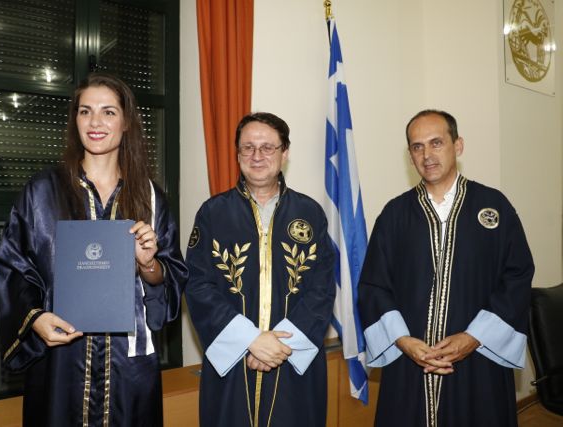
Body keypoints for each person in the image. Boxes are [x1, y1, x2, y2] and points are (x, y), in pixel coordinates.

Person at [0, 73, 188, 427]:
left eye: (108, 112)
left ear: (126, 122)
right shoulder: (42, 192)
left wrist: (148, 265)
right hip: (62, 360)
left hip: (128, 366)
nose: (95, 122)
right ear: (76, 120)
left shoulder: (150, 197)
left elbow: (170, 277)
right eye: (85, 111)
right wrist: (35, 318)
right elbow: (12, 267)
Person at [358, 109, 534, 427]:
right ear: (410, 155)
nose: (427, 155)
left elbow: (518, 276)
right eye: (417, 146)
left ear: (458, 145)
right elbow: (373, 285)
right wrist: (402, 340)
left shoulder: (494, 207)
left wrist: (474, 336)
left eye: (436, 143)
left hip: (478, 361)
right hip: (411, 362)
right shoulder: (394, 214)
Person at [185, 112, 336, 427]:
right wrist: (250, 340)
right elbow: (198, 285)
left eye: (268, 147)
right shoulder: (212, 213)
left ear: (285, 153)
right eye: (248, 147)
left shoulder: (310, 213)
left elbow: (322, 289)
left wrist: (279, 346)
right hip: (233, 364)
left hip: (293, 362)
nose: (257, 156)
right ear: (237, 153)